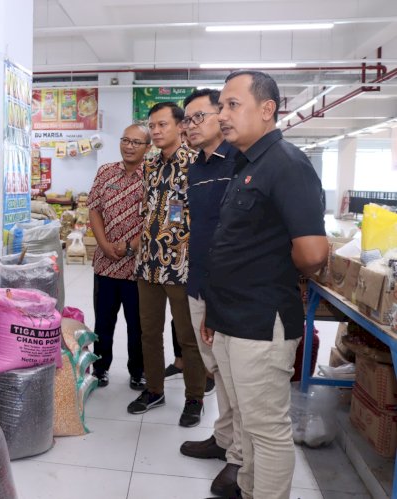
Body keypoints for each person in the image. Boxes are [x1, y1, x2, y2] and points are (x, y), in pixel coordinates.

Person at [203, 71, 328, 499]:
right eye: (221, 106)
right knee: (248, 423)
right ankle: (250, 489)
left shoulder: (287, 165)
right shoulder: (247, 164)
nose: (222, 114)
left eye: (231, 104)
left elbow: (312, 253)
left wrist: (273, 269)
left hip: (261, 320)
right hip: (233, 317)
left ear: (267, 109)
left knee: (267, 429)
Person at [175, 88, 241, 498]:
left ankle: (239, 459)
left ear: (221, 115)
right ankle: (222, 438)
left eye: (197, 117)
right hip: (198, 281)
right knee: (216, 367)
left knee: (237, 377)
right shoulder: (197, 166)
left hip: (229, 288)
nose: (189, 127)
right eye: (187, 120)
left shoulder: (239, 162)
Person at [125, 102, 206, 428]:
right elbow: (149, 209)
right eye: (152, 126)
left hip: (182, 264)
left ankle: (195, 398)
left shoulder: (196, 163)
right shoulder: (149, 165)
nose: (156, 131)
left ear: (179, 126)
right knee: (149, 331)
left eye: (162, 125)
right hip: (148, 263)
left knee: (188, 336)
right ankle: (154, 389)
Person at [87, 124, 148, 391]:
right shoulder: (106, 172)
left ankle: (138, 371)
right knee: (103, 323)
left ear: (148, 147)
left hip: (139, 267)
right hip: (105, 264)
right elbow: (94, 209)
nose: (129, 146)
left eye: (136, 142)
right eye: (125, 140)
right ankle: (100, 369)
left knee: (139, 326)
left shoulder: (154, 176)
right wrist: (103, 243)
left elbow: (157, 219)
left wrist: (130, 246)